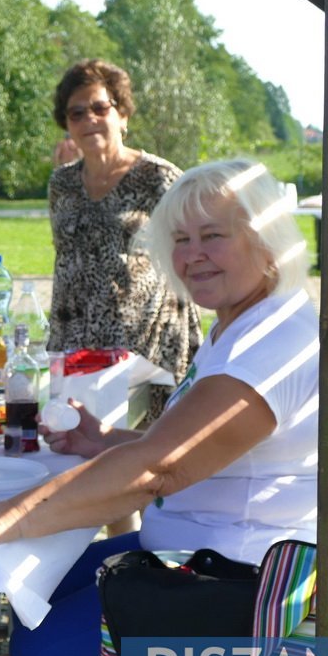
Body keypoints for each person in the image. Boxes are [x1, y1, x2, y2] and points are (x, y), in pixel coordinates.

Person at [0, 159, 318, 656]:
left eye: (213, 235)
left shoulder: (265, 343)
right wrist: (104, 443)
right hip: (200, 544)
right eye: (180, 240)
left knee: (39, 650)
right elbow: (204, 449)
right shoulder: (245, 322)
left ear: (267, 241)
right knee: (41, 588)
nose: (192, 254)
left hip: (242, 582)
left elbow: (160, 468)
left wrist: (10, 515)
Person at [46, 58, 201, 422]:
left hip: (147, 347)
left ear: (123, 114)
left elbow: (194, 251)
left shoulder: (158, 178)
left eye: (100, 107)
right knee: (76, 449)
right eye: (77, 113)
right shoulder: (61, 184)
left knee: (142, 454)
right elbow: (66, 257)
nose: (89, 120)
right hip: (75, 344)